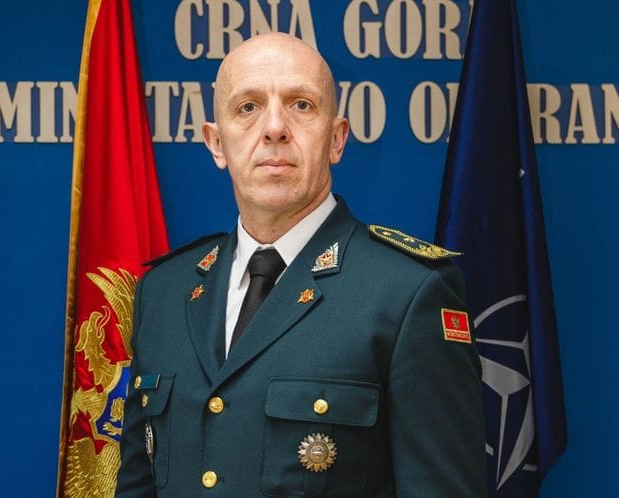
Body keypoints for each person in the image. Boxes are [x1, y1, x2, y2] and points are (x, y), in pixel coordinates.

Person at [116, 32, 486, 498]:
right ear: (216, 143)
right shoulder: (164, 291)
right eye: (247, 107)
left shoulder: (409, 292)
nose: (274, 127)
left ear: (337, 139)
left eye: (301, 105)